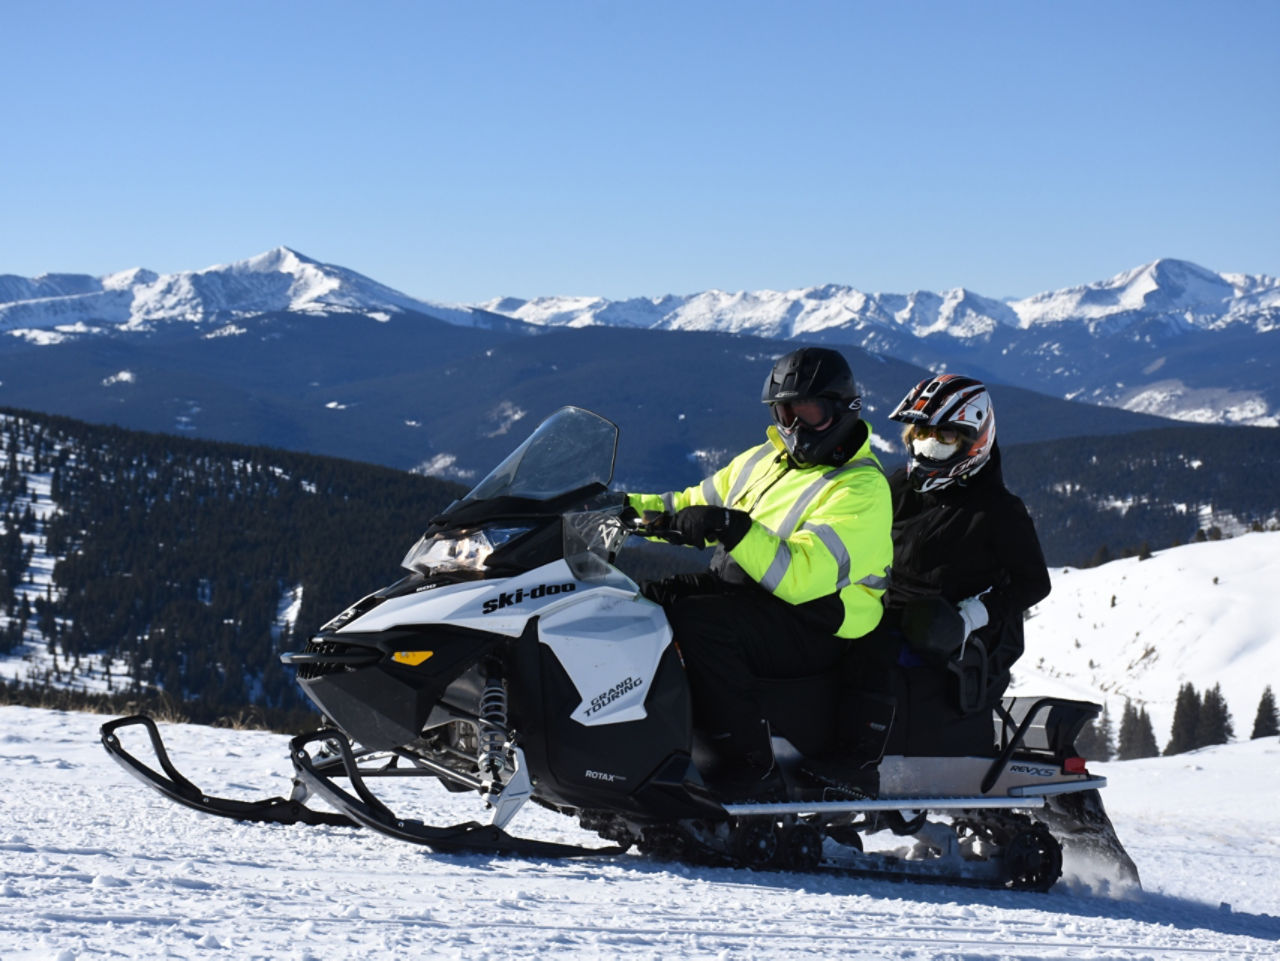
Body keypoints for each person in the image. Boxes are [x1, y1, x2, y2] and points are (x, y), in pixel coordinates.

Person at [626, 347, 893, 801]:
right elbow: (687, 504)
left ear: (843, 410)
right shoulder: (762, 461)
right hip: (747, 590)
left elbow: (802, 576)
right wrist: (617, 510)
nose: (795, 428)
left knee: (699, 625)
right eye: (785, 413)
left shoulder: (861, 487)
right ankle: (632, 735)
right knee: (637, 599)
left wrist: (730, 527)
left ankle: (748, 766)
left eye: (809, 412)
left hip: (818, 620)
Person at [865, 373, 1051, 760]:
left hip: (953, 640)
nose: (928, 444)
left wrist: (970, 616)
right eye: (920, 432)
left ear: (974, 440)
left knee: (868, 662)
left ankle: (856, 760)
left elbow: (1033, 583)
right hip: (889, 614)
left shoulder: (997, 510)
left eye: (945, 435)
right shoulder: (901, 486)